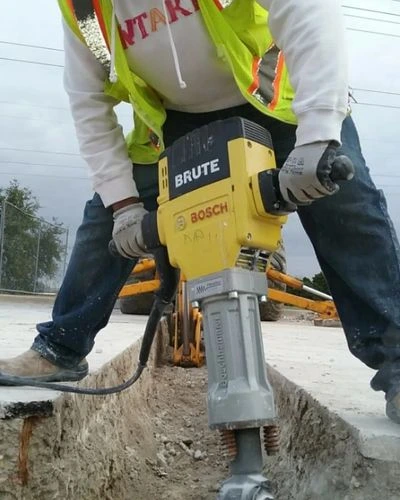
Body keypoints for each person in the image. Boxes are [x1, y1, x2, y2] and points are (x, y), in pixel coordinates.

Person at [1, 0, 400, 424]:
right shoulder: (85, 7)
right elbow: (88, 101)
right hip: (174, 121)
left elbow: (305, 9)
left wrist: (319, 130)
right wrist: (123, 206)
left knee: (346, 205)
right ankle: (61, 348)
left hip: (271, 97)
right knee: (106, 222)